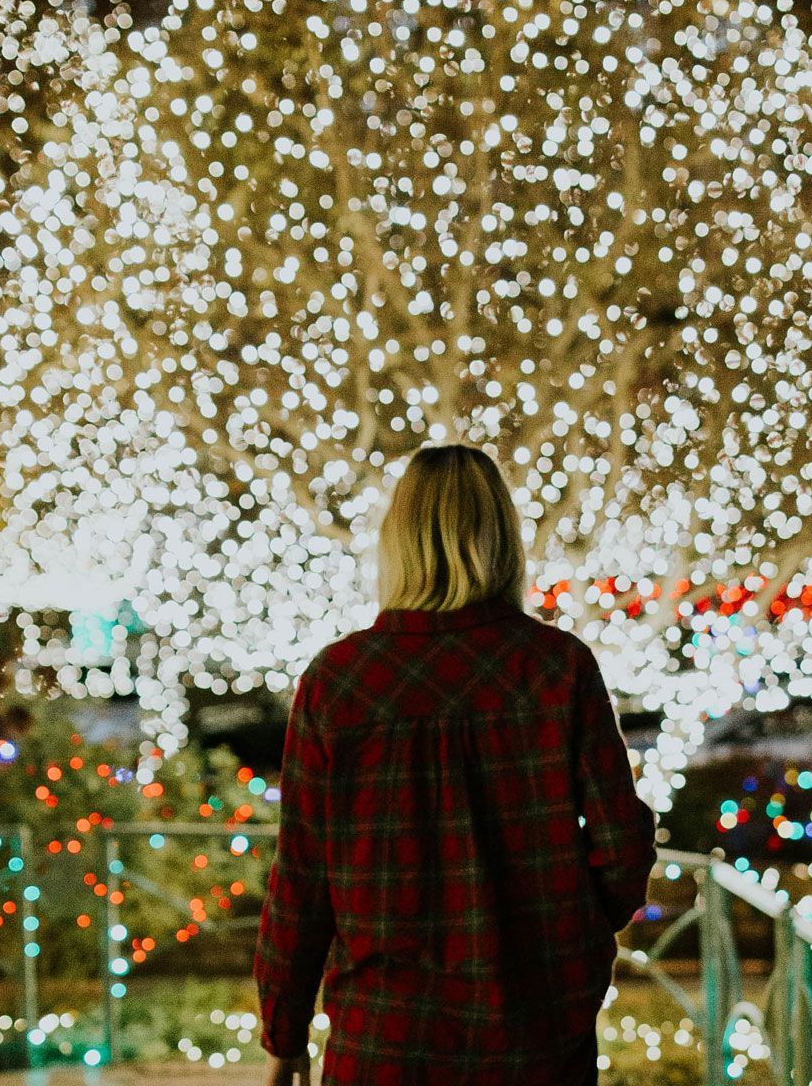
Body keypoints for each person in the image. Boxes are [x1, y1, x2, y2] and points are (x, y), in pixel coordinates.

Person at [253, 444, 657, 1085]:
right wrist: (562, 936)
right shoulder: (557, 666)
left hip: (384, 1035)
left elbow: (302, 878)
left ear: (398, 540)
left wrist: (285, 1032)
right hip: (537, 1035)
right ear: (501, 537)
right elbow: (623, 845)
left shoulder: (339, 681)